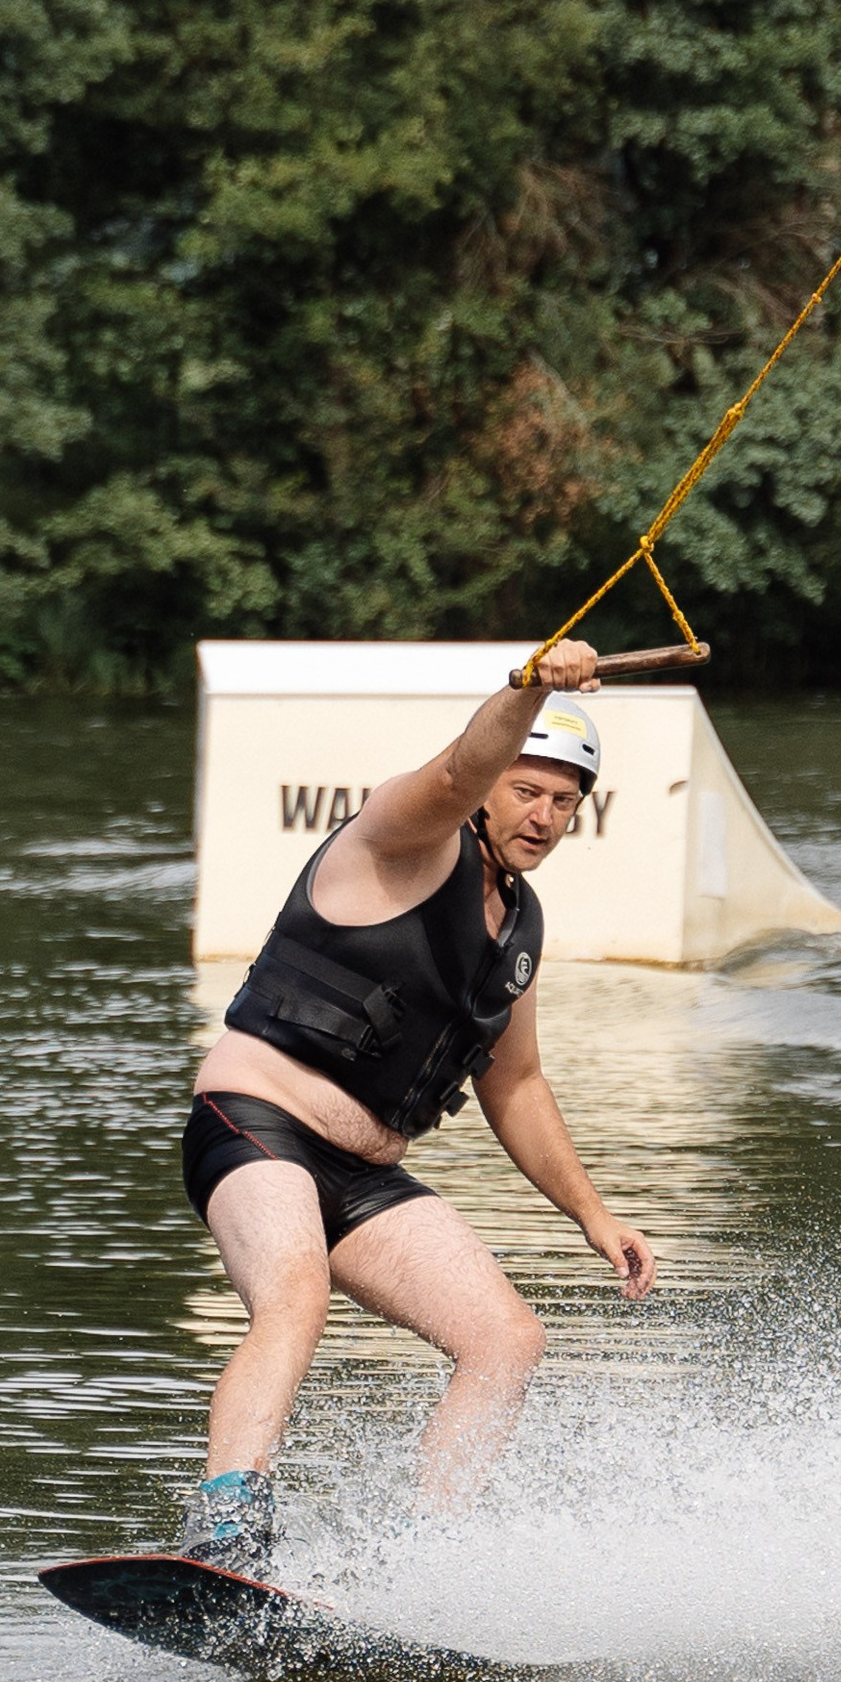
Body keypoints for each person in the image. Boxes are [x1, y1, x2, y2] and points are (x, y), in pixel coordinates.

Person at [177, 639, 655, 1569]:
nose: (544, 816)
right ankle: (226, 1525)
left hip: (364, 1173)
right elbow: (453, 767)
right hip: (255, 1121)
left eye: (565, 801)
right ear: (490, 789)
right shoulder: (401, 839)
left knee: (506, 1339)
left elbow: (513, 1082)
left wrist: (593, 1215)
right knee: (294, 1292)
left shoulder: (519, 924)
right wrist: (526, 688)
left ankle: (421, 1559)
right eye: (527, 790)